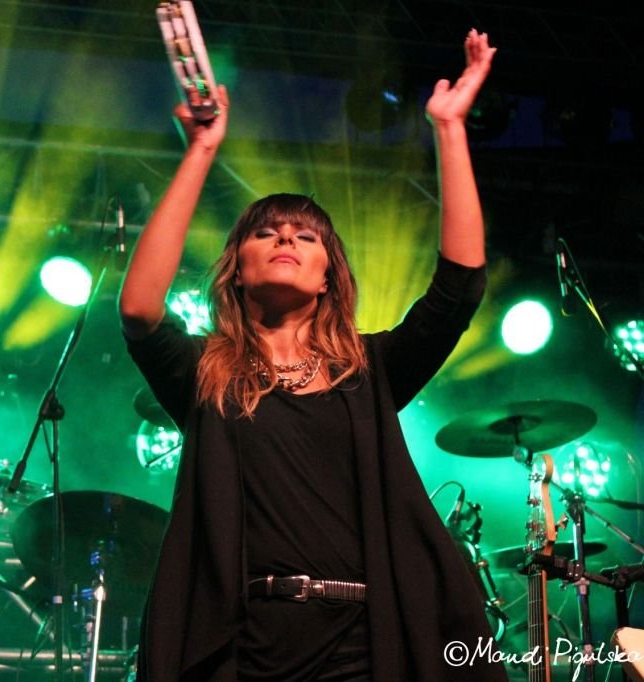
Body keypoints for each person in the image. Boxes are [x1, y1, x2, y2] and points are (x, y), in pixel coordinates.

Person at [119, 30, 506, 681]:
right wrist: (201, 149)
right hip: (247, 647)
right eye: (266, 233)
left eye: (305, 236)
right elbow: (138, 310)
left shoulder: (370, 371)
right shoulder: (208, 375)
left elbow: (460, 285)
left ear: (329, 275)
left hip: (365, 642)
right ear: (237, 270)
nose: (285, 239)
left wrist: (449, 128)